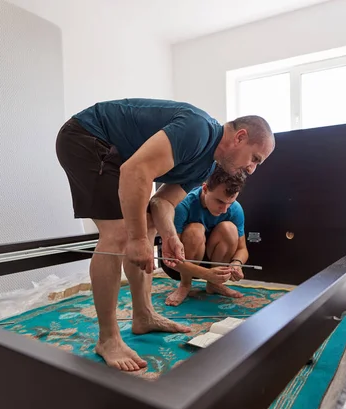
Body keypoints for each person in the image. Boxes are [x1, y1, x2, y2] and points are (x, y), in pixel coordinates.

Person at [56, 98, 274, 371]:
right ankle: (108, 339)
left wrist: (170, 236)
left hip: (114, 152)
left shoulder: (206, 167)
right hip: (86, 135)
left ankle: (143, 314)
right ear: (240, 137)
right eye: (255, 159)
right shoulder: (199, 129)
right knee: (120, 234)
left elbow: (162, 203)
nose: (252, 169)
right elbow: (135, 171)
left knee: (147, 224)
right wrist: (135, 240)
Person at [162, 165, 248, 306]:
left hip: (212, 262)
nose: (224, 209)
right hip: (179, 265)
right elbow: (171, 257)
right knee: (195, 230)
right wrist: (205, 273)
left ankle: (214, 284)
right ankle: (185, 285)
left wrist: (236, 264)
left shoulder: (235, 209)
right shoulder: (184, 205)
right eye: (220, 201)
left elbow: (242, 249)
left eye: (230, 203)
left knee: (229, 229)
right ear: (205, 189)